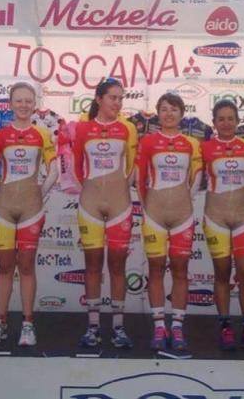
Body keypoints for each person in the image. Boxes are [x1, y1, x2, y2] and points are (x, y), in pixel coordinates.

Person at [0, 82, 58, 346]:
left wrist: (39, 193)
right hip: (4, 208)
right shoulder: (1, 135)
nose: (24, 105)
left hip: (31, 210)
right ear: (10, 104)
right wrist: (2, 190)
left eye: (28, 101)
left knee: (26, 266)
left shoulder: (43, 134)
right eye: (19, 101)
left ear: (34, 104)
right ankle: (0, 322)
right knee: (4, 267)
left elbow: (54, 171)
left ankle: (27, 324)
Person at [72, 77, 138, 349]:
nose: (118, 103)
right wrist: (92, 189)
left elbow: (132, 168)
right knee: (92, 265)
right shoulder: (82, 128)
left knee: (118, 266)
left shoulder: (128, 128)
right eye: (113, 97)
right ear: (99, 99)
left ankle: (118, 327)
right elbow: (77, 167)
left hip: (120, 205)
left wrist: (117, 189)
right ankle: (93, 327)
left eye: (121, 98)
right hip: (90, 204)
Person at [136, 93, 202, 351]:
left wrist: (186, 201)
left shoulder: (191, 143)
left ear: (182, 113)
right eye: (164, 109)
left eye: (174, 109)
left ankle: (177, 327)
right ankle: (158, 326)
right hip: (154, 214)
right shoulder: (148, 141)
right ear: (158, 114)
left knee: (180, 270)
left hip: (182, 215)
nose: (169, 114)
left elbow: (197, 177)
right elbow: (140, 178)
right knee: (155, 269)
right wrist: (146, 207)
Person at [200, 100, 244, 352]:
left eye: (230, 118)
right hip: (215, 217)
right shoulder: (204, 148)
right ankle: (225, 326)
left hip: (243, 218)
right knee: (222, 273)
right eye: (221, 119)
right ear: (214, 123)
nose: (226, 123)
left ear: (238, 121)